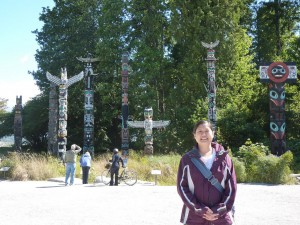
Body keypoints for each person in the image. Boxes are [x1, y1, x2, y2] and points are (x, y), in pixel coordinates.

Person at [177, 120, 237, 225]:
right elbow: (182, 187)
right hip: (194, 217)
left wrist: (218, 210)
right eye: (199, 131)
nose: (203, 134)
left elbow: (231, 188)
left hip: (221, 217)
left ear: (213, 133)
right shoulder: (187, 160)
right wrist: (199, 209)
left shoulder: (224, 158)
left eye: (206, 131)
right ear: (194, 135)